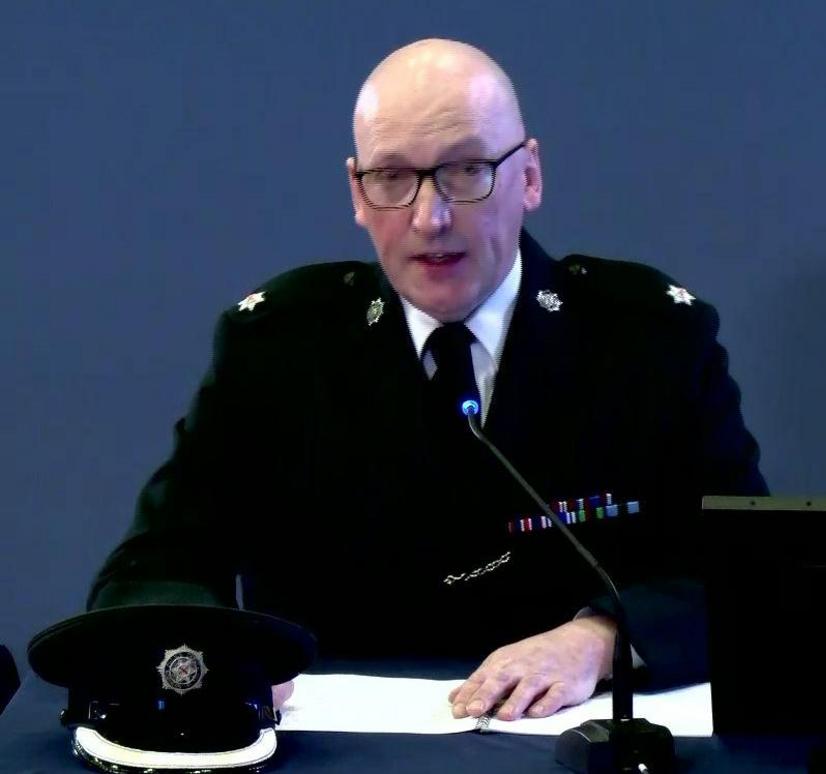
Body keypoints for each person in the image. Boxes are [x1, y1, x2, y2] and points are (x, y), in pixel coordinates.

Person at [86, 38, 766, 724]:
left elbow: (749, 574)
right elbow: (153, 567)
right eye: (392, 179)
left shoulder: (647, 339)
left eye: (466, 171)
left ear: (529, 176)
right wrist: (221, 652)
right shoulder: (278, 347)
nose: (429, 217)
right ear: (356, 192)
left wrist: (605, 637)